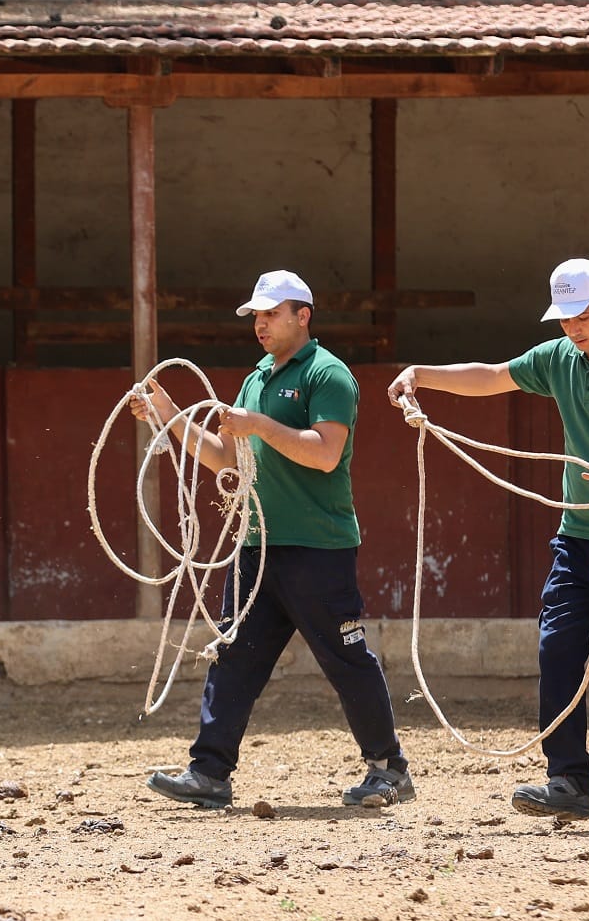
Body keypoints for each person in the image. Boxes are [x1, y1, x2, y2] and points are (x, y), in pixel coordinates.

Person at [387, 258, 589, 831]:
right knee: (557, 648)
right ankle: (568, 781)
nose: (572, 328)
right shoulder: (558, 358)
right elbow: (493, 375)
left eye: (582, 316)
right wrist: (420, 373)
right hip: (578, 533)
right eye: (564, 319)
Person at [133, 269, 413, 811]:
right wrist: (168, 414)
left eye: (270, 314)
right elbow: (224, 456)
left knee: (345, 657)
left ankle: (389, 768)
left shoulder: (328, 374)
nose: (260, 324)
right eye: (256, 316)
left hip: (318, 546)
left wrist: (258, 425)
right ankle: (209, 772)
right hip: (257, 544)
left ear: (302, 316)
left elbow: (325, 453)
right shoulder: (257, 378)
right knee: (233, 656)